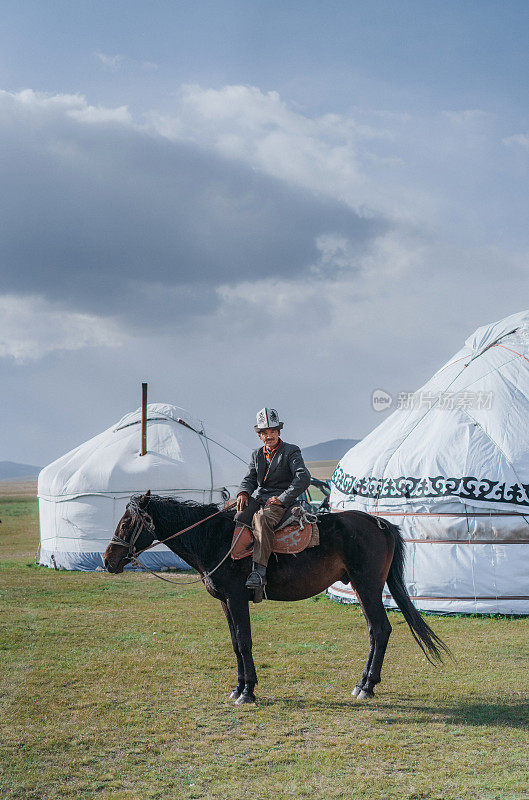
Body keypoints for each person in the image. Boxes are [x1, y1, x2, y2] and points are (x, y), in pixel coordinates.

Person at [236, 407, 311, 594]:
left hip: (280, 500)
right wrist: (243, 492)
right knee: (234, 513)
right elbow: (250, 478)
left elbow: (303, 478)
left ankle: (259, 572)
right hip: (260, 498)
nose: (269, 436)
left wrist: (283, 498)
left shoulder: (291, 451)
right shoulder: (256, 455)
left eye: (272, 432)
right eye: (264, 433)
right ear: (259, 436)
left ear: (278, 432)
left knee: (262, 520)